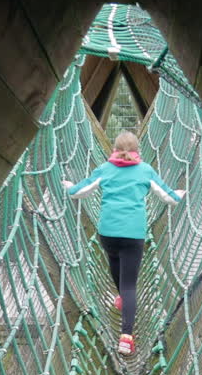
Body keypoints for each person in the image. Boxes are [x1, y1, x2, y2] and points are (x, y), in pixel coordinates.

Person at [64, 131, 185, 356]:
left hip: (108, 233)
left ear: (114, 150)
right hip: (133, 233)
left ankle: (122, 299)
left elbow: (78, 192)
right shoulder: (145, 170)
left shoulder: (105, 169)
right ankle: (126, 338)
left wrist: (68, 185)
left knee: (114, 263)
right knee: (130, 285)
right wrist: (180, 192)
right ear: (137, 151)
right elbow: (170, 198)